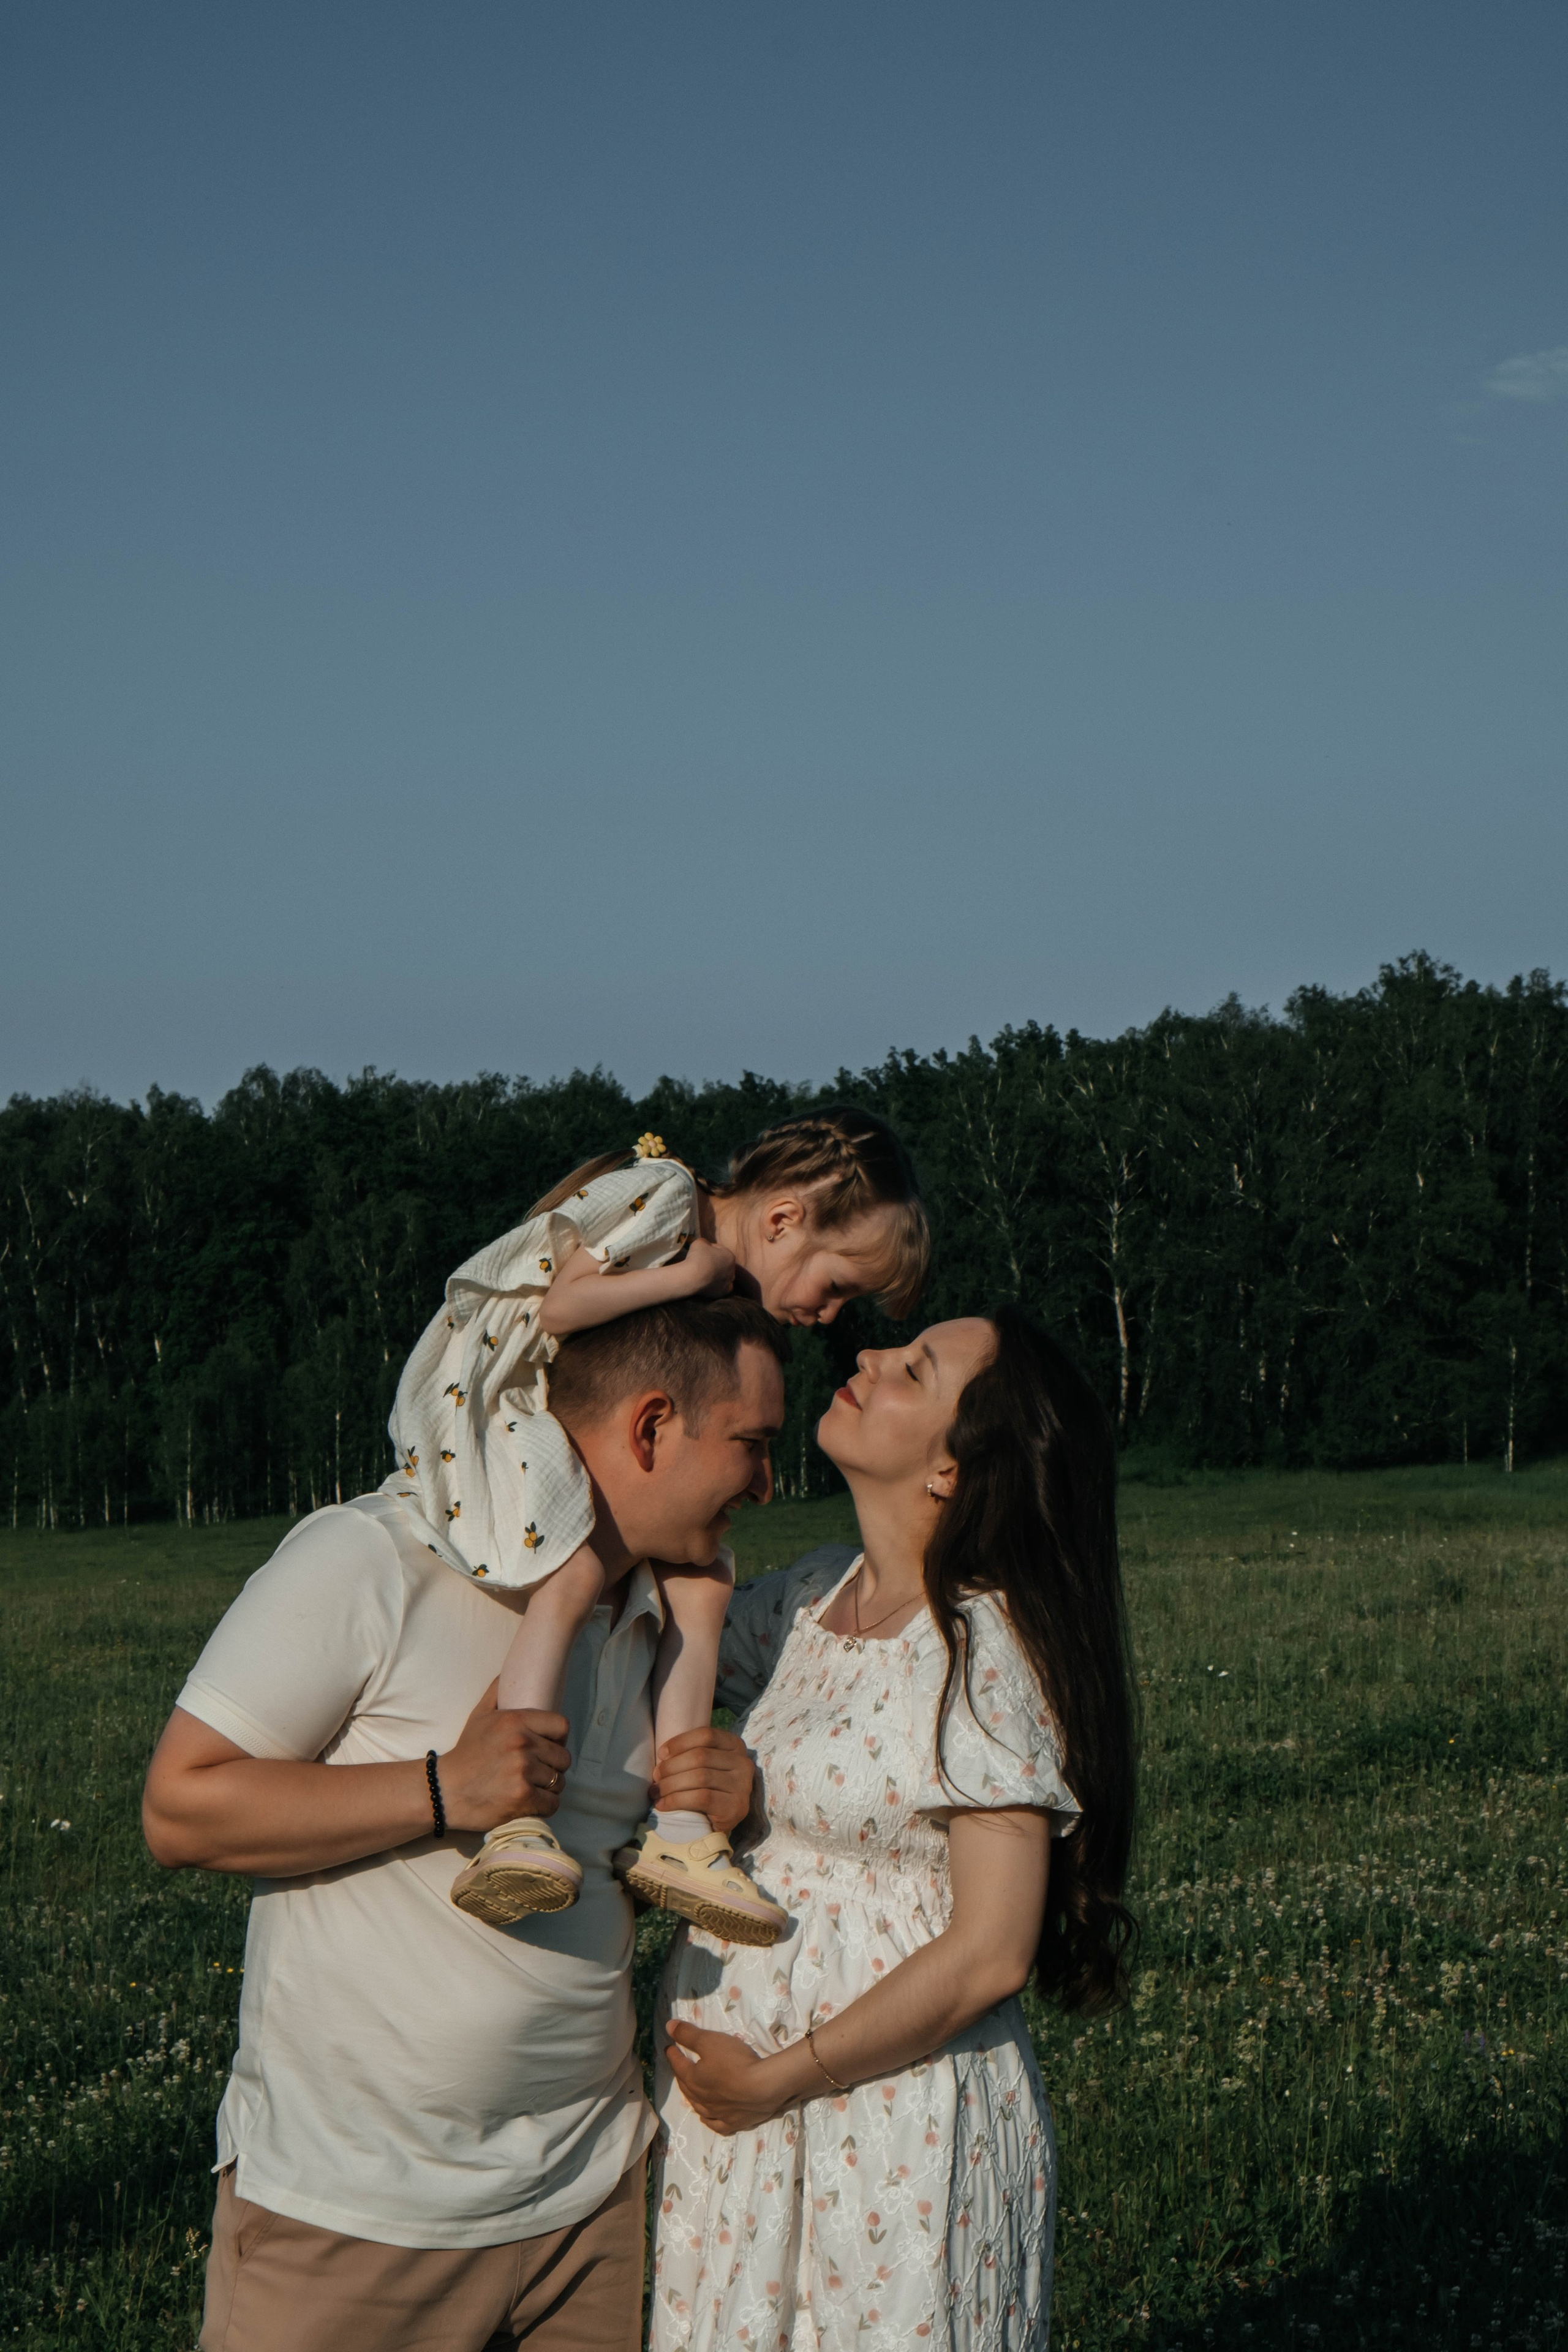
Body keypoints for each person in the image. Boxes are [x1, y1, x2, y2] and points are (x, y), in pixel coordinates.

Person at [141, 1296, 787, 2352]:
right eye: (752, 1444)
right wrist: (444, 1788)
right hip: (355, 2218)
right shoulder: (376, 1556)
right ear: (651, 1427)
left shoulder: (663, 1612)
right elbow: (180, 1807)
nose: (766, 1483)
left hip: (587, 2209)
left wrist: (719, 1797)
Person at [651, 1306, 1139, 2352]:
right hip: (742, 2130)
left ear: (953, 1470)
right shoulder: (810, 1597)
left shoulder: (982, 1651)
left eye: (913, 1371)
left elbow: (990, 1952)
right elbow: (657, 1663)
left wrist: (775, 2079)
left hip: (884, 2128)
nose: (869, 1359)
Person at [387, 1106, 928, 1941]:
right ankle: (516, 1823)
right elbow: (561, 1310)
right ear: (782, 1220)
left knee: (705, 1582)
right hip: (489, 1402)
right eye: (836, 1287)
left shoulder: (714, 1275)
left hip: (541, 1399)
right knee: (574, 1566)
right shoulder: (671, 1200)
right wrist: (687, 1279)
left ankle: (679, 1832)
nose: (830, 1315)